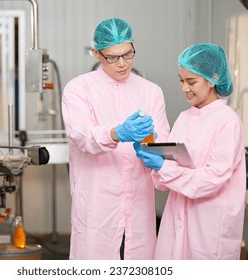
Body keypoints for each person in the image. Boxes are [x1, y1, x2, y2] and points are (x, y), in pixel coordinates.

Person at [62, 17, 170, 260]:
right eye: (112, 57)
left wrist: (151, 142)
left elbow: (163, 137)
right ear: (96, 54)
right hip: (97, 201)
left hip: (138, 199)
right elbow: (81, 134)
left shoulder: (151, 91)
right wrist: (116, 133)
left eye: (128, 54)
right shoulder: (79, 89)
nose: (122, 63)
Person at [134, 43, 246, 260]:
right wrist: (154, 150)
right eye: (181, 80)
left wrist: (164, 166)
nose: (184, 88)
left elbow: (212, 178)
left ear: (212, 79)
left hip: (209, 225)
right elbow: (167, 177)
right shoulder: (185, 117)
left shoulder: (227, 121)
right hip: (178, 217)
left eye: (191, 81)